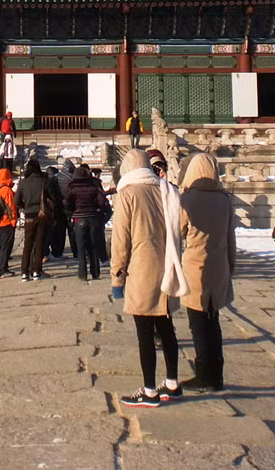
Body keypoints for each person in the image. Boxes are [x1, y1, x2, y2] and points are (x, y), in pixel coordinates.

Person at [111, 148, 188, 408]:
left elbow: (121, 240)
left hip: (141, 269)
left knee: (144, 332)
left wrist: (117, 277)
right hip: (168, 265)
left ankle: (150, 390)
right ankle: (173, 384)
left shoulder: (128, 193)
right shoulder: (167, 189)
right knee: (167, 329)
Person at [179, 153, 235, 392]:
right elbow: (230, 237)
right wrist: (230, 266)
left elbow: (179, 231)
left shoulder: (187, 200)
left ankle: (203, 373)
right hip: (219, 265)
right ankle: (217, 374)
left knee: (198, 322)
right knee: (214, 321)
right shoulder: (225, 199)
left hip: (195, 266)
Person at [66, 163, 109, 282]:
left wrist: (72, 212)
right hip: (92, 217)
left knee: (81, 248)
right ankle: (95, 272)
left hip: (79, 218)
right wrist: (96, 209)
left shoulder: (72, 187)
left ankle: (82, 273)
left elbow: (67, 203)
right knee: (93, 247)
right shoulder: (93, 186)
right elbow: (101, 201)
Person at [16, 158, 50, 281]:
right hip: (41, 215)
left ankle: (24, 271)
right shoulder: (43, 181)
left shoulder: (23, 183)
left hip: (29, 215)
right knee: (39, 244)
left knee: (27, 245)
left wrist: (24, 206)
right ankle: (36, 270)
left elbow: (16, 200)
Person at [0, 160, 18, 278]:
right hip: (5, 222)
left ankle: (1, 267)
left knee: (0, 246)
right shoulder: (6, 190)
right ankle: (2, 269)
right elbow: (11, 208)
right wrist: (13, 221)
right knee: (6, 246)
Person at [90, 165, 112, 264]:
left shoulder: (88, 183)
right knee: (99, 237)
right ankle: (102, 258)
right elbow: (101, 196)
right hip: (98, 213)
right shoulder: (96, 183)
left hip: (91, 213)